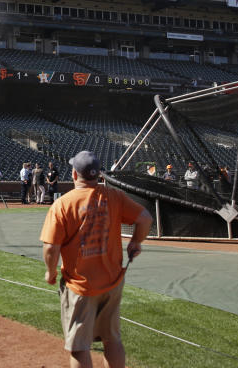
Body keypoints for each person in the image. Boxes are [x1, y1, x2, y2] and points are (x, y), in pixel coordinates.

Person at [41, 151, 152, 368]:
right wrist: (136, 242)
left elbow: (51, 248)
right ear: (98, 174)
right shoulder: (114, 196)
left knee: (79, 347)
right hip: (112, 282)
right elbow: (145, 218)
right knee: (112, 340)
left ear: (74, 174)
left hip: (80, 286)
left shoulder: (62, 204)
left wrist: (50, 272)